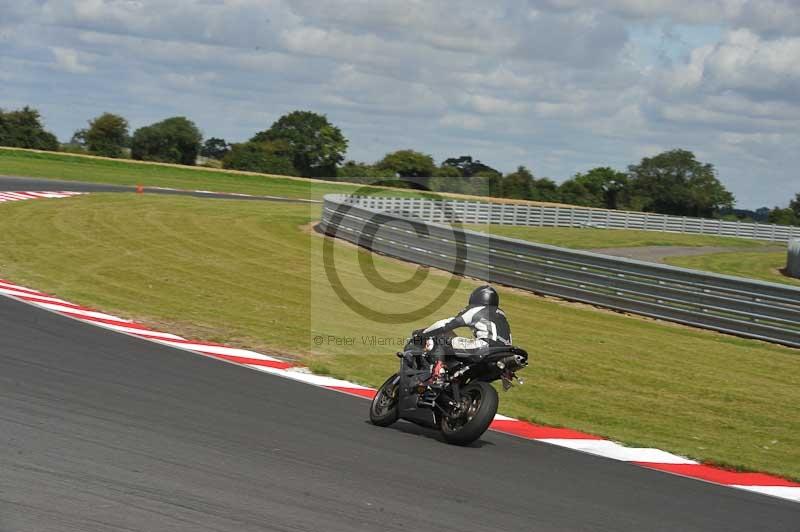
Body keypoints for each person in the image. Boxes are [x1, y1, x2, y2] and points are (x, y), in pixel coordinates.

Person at [414, 285, 512, 403]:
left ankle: (437, 377)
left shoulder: (476, 309)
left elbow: (446, 324)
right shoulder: (501, 315)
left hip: (484, 347)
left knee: (439, 339)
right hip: (504, 354)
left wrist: (422, 334)